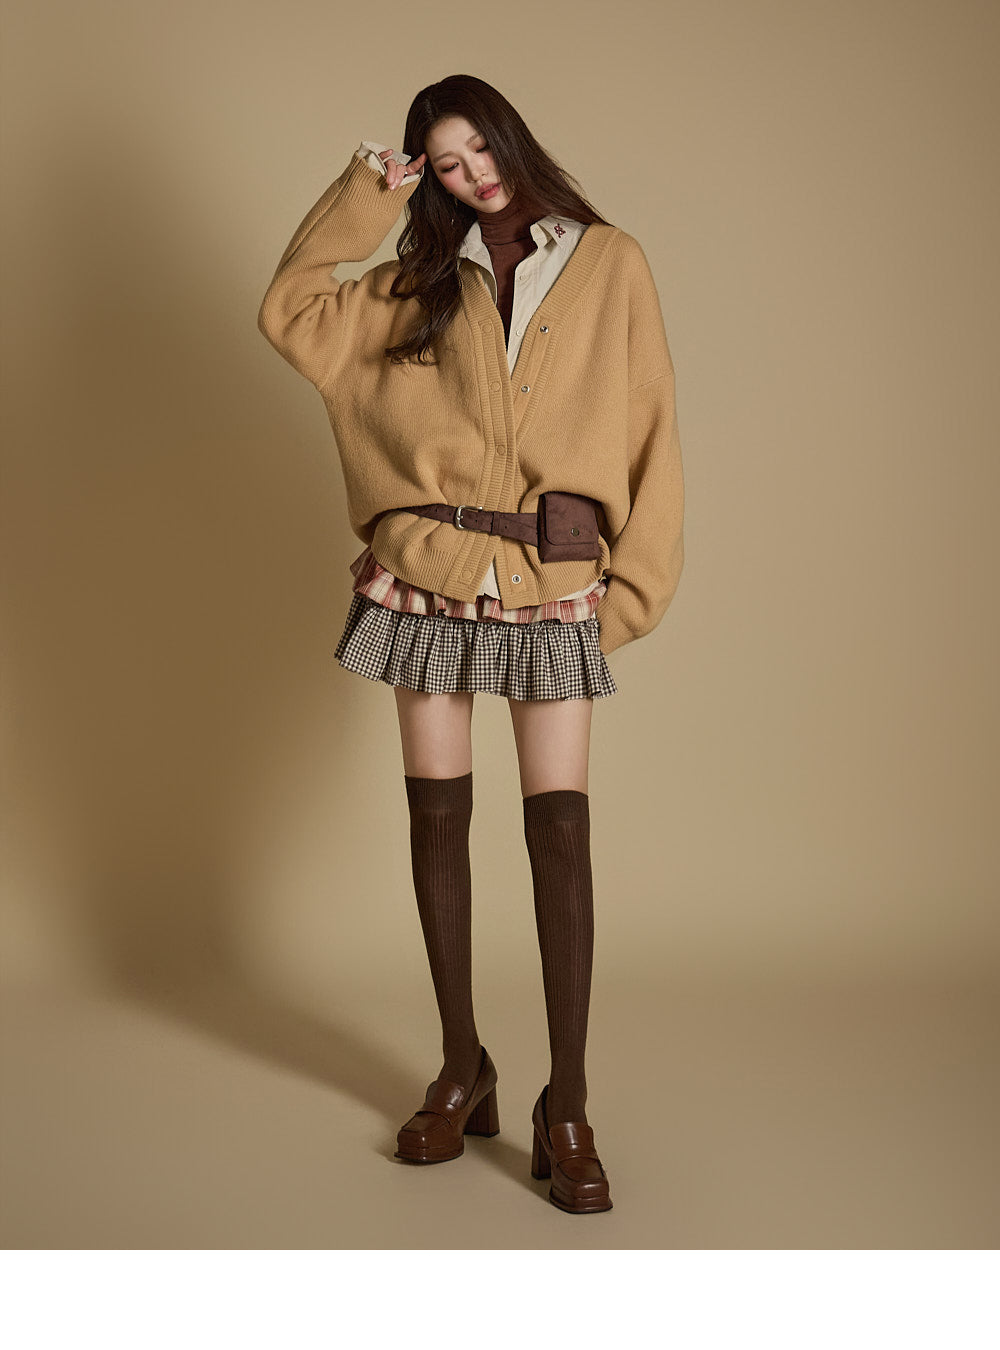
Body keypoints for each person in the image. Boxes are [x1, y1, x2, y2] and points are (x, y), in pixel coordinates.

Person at [258, 73, 684, 1215]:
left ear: (511, 139)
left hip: (553, 578)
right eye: (445, 163)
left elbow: (652, 422)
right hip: (429, 576)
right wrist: (367, 195)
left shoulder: (611, 262)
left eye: (479, 149)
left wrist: (634, 587)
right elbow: (291, 312)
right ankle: (463, 1067)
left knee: (560, 833)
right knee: (436, 819)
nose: (471, 174)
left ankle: (567, 1102)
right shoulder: (416, 280)